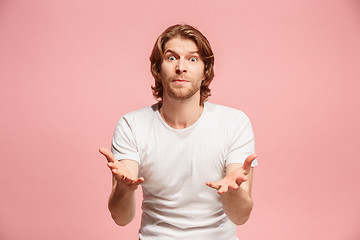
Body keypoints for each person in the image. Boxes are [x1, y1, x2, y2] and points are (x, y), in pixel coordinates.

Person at [99, 24, 258, 240]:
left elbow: (240, 216)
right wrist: (124, 189)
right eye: (171, 58)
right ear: (158, 69)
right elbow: (121, 218)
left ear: (205, 71)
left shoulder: (234, 123)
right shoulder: (132, 125)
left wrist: (231, 193)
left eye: (192, 59)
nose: (181, 67)